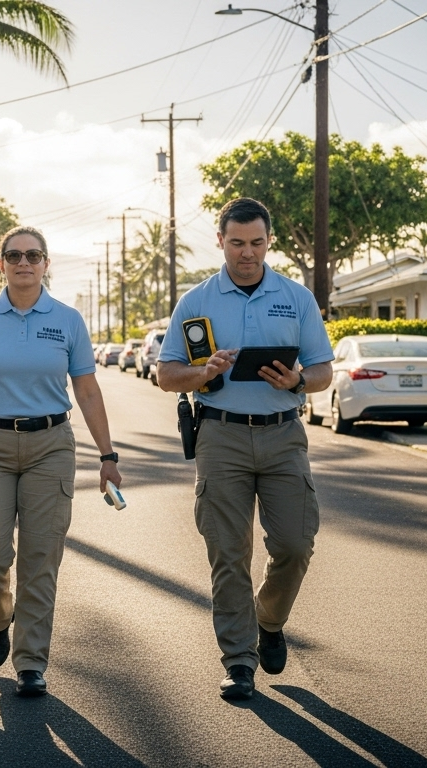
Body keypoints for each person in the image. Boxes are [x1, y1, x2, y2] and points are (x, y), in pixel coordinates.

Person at [0, 225, 122, 698]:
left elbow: (87, 391)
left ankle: (31, 661)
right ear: (1, 264)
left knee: (40, 558)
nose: (24, 263)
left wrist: (107, 455)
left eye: (33, 255)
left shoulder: (68, 320)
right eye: (14, 255)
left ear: (46, 263)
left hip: (51, 446)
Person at [156, 197, 333, 702]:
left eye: (256, 242)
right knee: (228, 554)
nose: (247, 253)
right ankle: (238, 661)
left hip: (283, 434)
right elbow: (166, 374)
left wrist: (298, 380)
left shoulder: (297, 298)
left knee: (295, 544)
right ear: (221, 241)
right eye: (237, 243)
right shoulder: (195, 302)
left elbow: (323, 370)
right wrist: (203, 373)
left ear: (269, 241)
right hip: (221, 435)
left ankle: (268, 621)